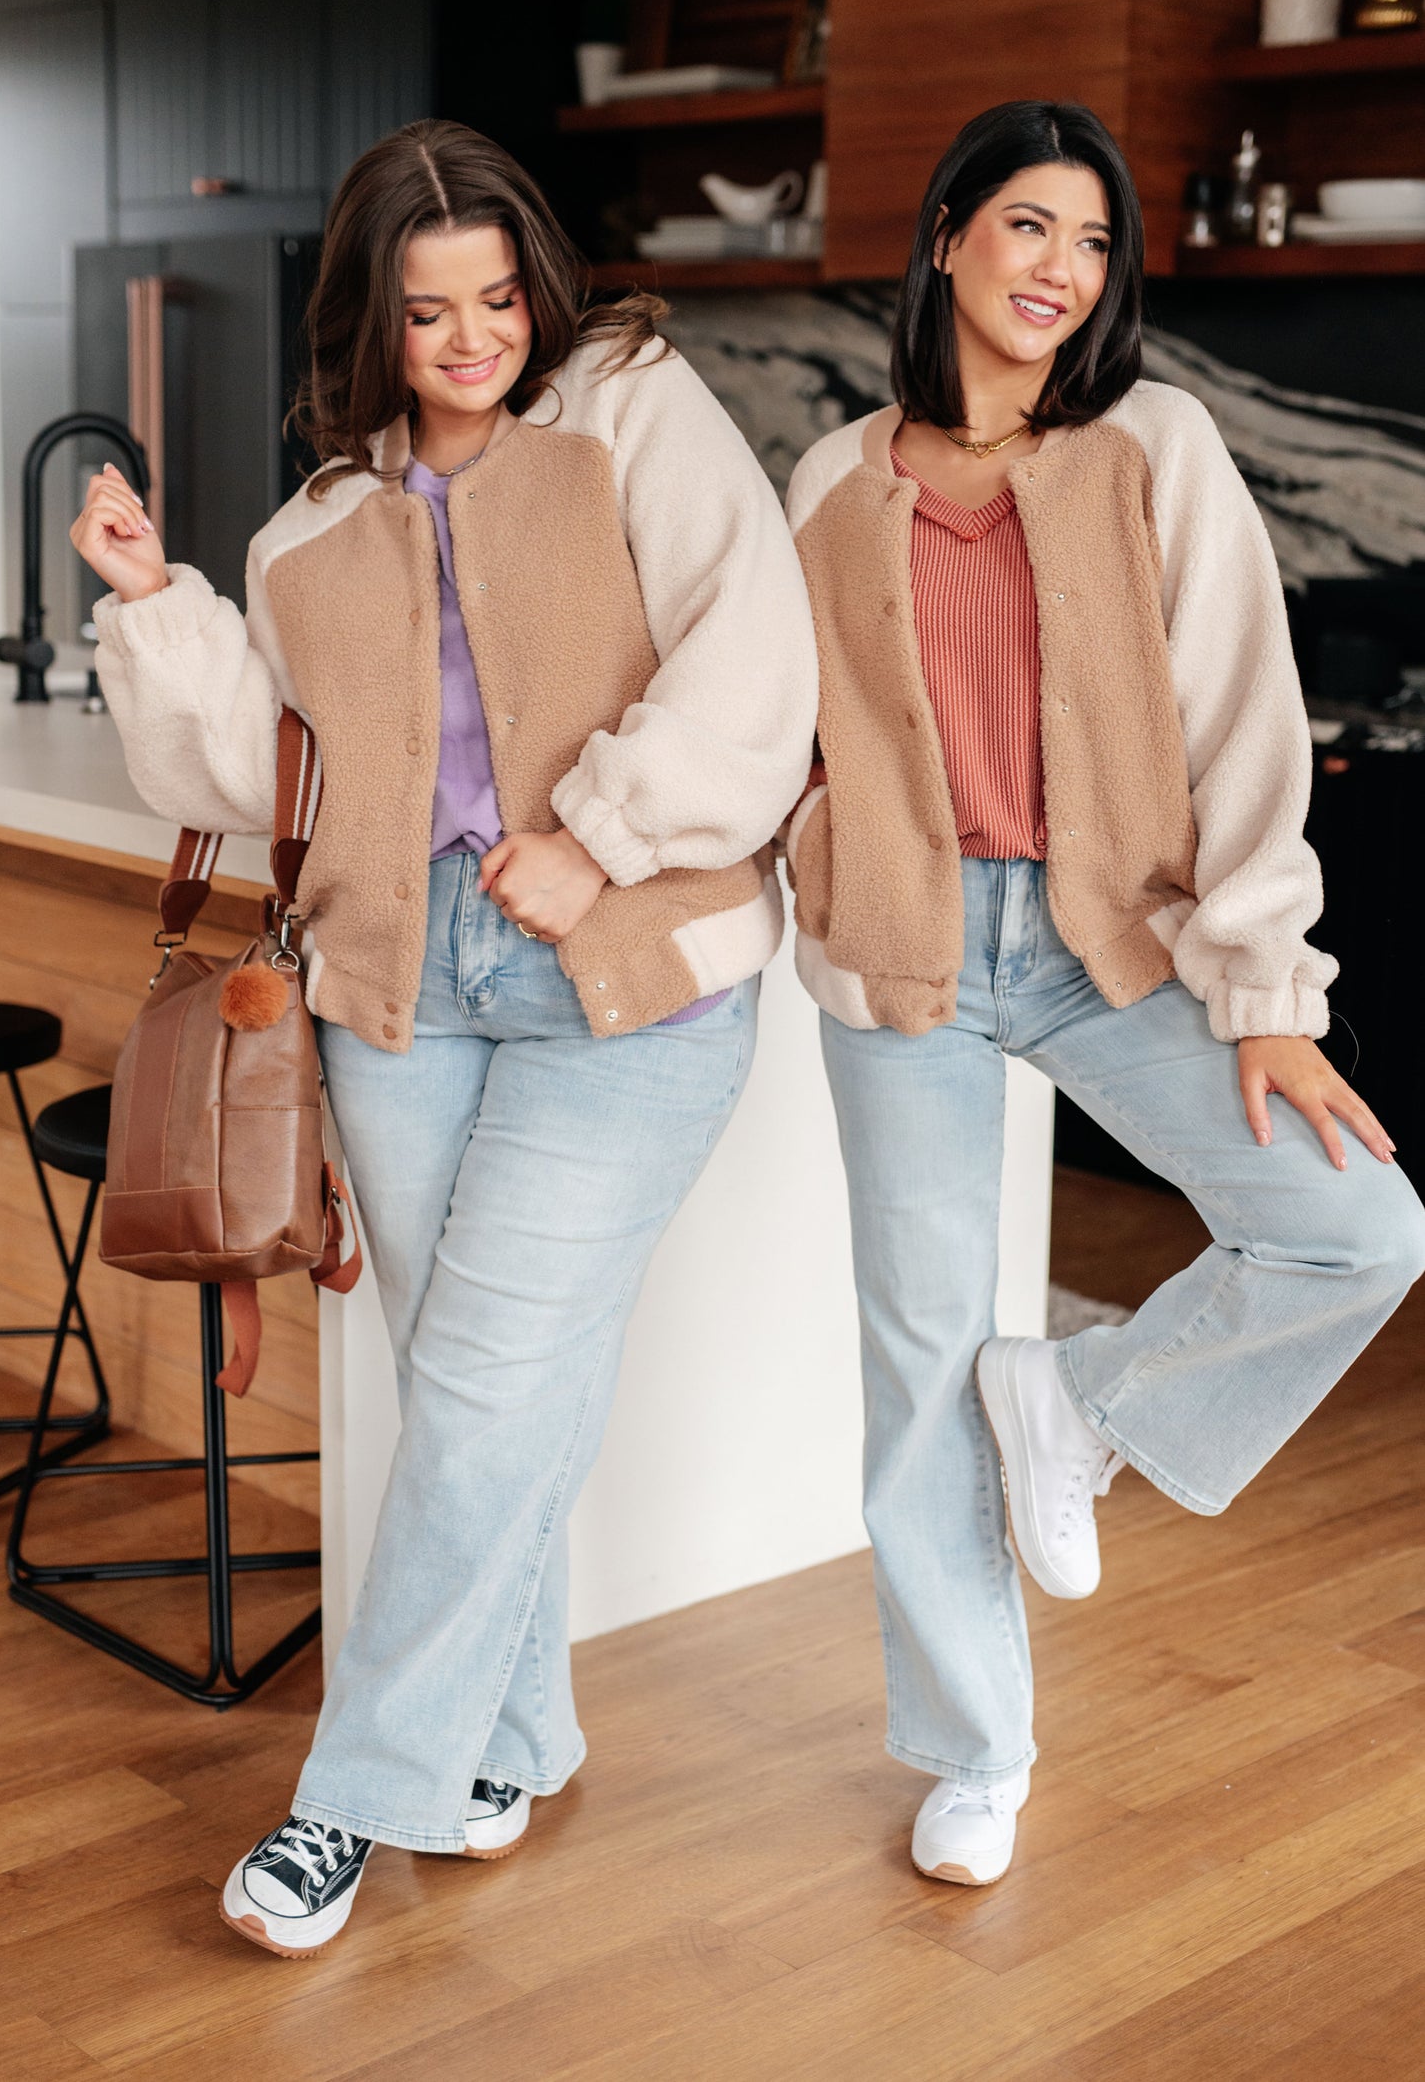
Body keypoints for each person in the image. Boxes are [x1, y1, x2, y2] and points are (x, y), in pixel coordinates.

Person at [72, 118, 816, 1955]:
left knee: (484, 1389)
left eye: (495, 298)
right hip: (400, 993)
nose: (472, 337)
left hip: (623, 979)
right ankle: (518, 1735)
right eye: (429, 311)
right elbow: (257, 780)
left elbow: (753, 644)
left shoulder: (630, 409)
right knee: (485, 1386)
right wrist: (156, 601)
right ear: (374, 323)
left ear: (535, 293)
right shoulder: (316, 522)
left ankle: (350, 1802)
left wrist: (604, 836)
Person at [783, 99, 1425, 1890]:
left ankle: (1077, 1405)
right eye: (1024, 231)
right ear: (945, 241)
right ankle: (975, 1752)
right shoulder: (834, 477)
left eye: (1090, 244)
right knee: (915, 1363)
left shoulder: (1158, 442)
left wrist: (1266, 991)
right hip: (903, 951)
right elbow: (772, 720)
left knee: (1360, 1229)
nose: (1058, 272)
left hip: (1108, 938)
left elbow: (1240, 714)